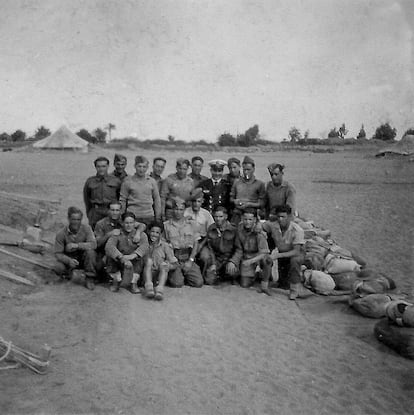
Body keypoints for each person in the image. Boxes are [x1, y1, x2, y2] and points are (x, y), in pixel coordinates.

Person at [262, 205, 305, 300]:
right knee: (283, 284)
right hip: (282, 252)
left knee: (295, 261)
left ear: (289, 217)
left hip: (295, 253)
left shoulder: (297, 230)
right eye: (279, 216)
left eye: (283, 217)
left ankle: (294, 290)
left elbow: (296, 251)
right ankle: (267, 283)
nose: (280, 219)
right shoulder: (273, 225)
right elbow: (260, 226)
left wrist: (277, 255)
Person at [94, 202, 146, 280]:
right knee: (100, 266)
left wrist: (138, 233)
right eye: (112, 210)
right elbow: (97, 244)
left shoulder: (124, 220)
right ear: (108, 210)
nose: (115, 213)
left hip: (124, 250)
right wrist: (109, 234)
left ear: (121, 211)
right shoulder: (101, 224)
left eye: (117, 210)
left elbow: (142, 225)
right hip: (105, 252)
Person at [228, 208, 273, 295]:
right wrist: (233, 261)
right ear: (242, 218)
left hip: (258, 256)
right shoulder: (239, 229)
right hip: (246, 256)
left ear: (255, 220)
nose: (247, 222)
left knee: (267, 260)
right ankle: (256, 275)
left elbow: (264, 252)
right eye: (245, 219)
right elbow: (239, 249)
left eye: (250, 219)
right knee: (244, 284)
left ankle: (265, 284)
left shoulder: (259, 231)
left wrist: (251, 261)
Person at [54, 206, 97, 290]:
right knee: (58, 267)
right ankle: (67, 275)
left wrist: (77, 245)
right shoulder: (61, 233)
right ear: (69, 219)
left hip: (83, 258)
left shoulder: (87, 229)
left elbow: (93, 244)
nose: (76, 222)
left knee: (91, 253)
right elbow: (58, 253)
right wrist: (68, 260)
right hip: (70, 259)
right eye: (74, 219)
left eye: (78, 220)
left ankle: (89, 278)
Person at [163, 197, 203, 288]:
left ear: (184, 210)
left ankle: (186, 273)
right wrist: (172, 260)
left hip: (187, 257)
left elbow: (196, 243)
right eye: (176, 209)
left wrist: (191, 260)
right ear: (173, 210)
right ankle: (177, 275)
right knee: (177, 283)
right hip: (174, 258)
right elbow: (164, 245)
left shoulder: (192, 224)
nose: (178, 212)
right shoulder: (166, 225)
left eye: (181, 209)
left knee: (198, 283)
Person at [105, 212, 149, 294]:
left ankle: (134, 282)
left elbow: (145, 246)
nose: (129, 225)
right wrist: (121, 257)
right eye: (126, 223)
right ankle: (116, 280)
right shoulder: (117, 233)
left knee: (143, 256)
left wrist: (133, 256)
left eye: (131, 223)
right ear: (122, 223)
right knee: (110, 255)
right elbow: (109, 246)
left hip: (134, 262)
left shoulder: (140, 234)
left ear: (134, 223)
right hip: (120, 261)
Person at [120, 155, 161, 228]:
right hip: (133, 216)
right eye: (139, 166)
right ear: (135, 166)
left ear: (147, 168)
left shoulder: (152, 181)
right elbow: (123, 200)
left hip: (149, 216)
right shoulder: (128, 181)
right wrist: (121, 216)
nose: (141, 169)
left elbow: (157, 199)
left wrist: (157, 217)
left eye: (144, 167)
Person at [143, 221, 178, 301]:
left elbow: (174, 263)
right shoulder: (144, 243)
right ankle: (149, 287)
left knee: (164, 264)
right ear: (148, 232)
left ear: (160, 234)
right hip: (147, 273)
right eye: (152, 231)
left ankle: (160, 289)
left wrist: (168, 266)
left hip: (159, 274)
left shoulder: (165, 245)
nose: (154, 234)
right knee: (149, 261)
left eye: (157, 233)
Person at [83, 156, 121, 229]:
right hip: (96, 212)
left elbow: (120, 197)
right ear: (95, 167)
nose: (101, 169)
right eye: (99, 166)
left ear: (107, 166)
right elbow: (87, 199)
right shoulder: (90, 181)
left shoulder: (115, 181)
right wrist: (90, 214)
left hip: (111, 211)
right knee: (95, 234)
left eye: (103, 166)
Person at [203, 206, 238, 285]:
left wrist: (233, 261)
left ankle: (227, 273)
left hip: (229, 258)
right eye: (216, 216)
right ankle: (219, 273)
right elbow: (210, 248)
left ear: (226, 216)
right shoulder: (211, 228)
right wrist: (214, 264)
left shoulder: (233, 229)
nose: (218, 219)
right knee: (209, 281)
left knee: (233, 274)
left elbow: (238, 249)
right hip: (218, 258)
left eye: (221, 216)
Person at [229, 156, 266, 225]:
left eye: (248, 170)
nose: (246, 172)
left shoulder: (259, 184)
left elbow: (262, 203)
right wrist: (235, 201)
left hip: (252, 216)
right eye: (244, 170)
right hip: (237, 215)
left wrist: (249, 204)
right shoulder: (237, 182)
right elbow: (231, 198)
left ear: (253, 169)